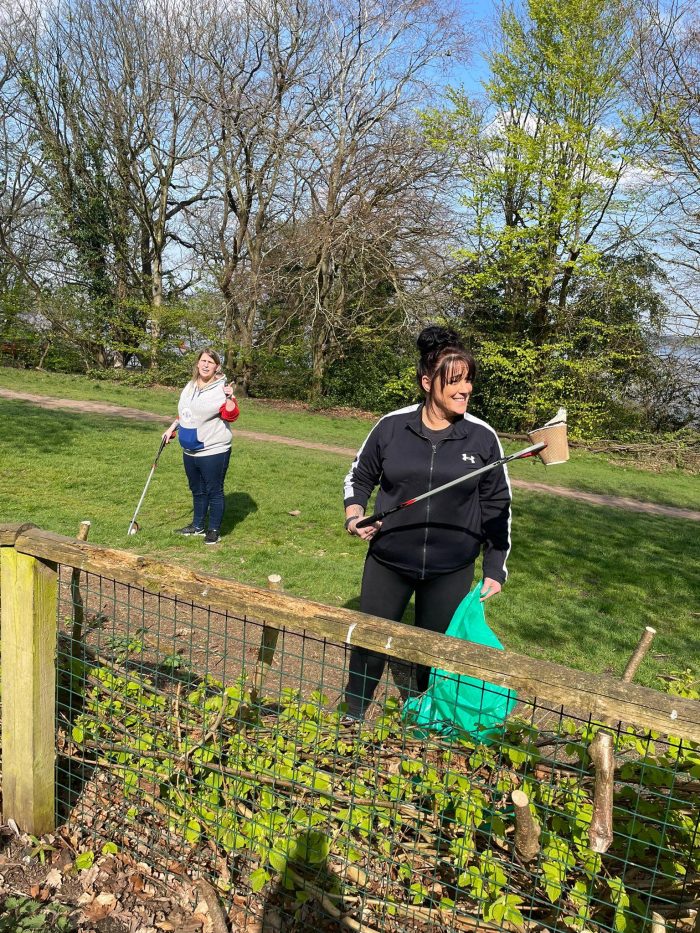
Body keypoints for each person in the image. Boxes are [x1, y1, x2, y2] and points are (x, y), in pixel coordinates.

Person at [342, 325, 512, 719]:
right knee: (371, 644)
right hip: (389, 560)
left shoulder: (482, 438)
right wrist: (355, 513)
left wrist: (495, 567)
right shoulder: (391, 426)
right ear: (426, 382)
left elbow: (497, 505)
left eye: (468, 380)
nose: (465, 389)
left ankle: (425, 722)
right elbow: (359, 475)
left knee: (435, 654)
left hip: (450, 568)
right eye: (454, 381)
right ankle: (351, 716)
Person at [162, 348, 240, 544]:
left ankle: (213, 530)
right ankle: (197, 526)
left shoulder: (222, 389)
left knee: (214, 490)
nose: (206, 365)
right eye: (203, 361)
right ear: (197, 363)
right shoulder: (189, 386)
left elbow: (231, 415)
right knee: (197, 489)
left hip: (213, 449)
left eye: (210, 362)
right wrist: (171, 429)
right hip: (189, 448)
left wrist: (230, 397)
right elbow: (186, 413)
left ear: (217, 367)